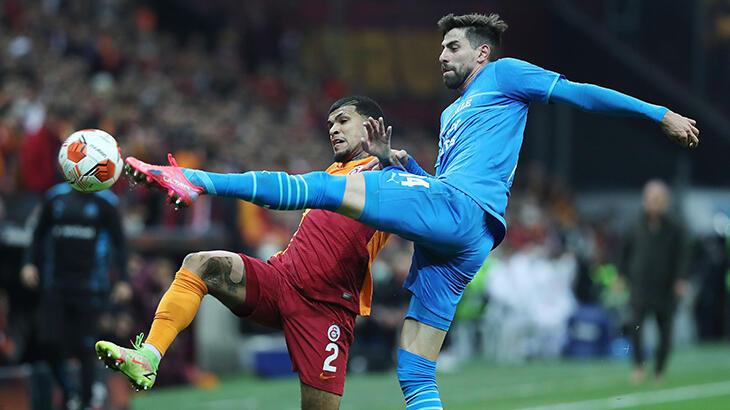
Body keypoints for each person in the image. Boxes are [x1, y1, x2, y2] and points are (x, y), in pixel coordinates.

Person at [123, 13, 700, 409]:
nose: (442, 55)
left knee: (321, 188)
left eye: (453, 47)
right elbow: (439, 184)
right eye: (441, 48)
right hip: (460, 237)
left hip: (463, 212)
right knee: (415, 371)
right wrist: (402, 164)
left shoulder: (505, 74)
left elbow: (581, 93)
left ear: (482, 52)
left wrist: (660, 115)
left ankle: (195, 180)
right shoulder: (453, 115)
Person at [96, 96, 390, 410]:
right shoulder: (332, 173)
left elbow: (425, 193)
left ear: (371, 126)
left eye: (343, 121)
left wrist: (387, 160)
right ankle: (148, 356)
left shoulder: (390, 178)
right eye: (330, 124)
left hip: (327, 309)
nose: (333, 129)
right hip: (281, 281)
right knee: (199, 264)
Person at [21, 183, 130, 410]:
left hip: (90, 287)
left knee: (86, 348)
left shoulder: (105, 202)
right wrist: (29, 263)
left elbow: (120, 243)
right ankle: (70, 391)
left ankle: (87, 400)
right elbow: (38, 234)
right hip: (55, 286)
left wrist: (123, 279)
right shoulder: (55, 197)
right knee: (48, 342)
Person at [619, 180, 690, 384]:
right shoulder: (634, 224)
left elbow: (683, 255)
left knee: (665, 331)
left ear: (665, 201)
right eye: (650, 199)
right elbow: (623, 251)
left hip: (666, 286)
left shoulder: (676, 227)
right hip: (640, 285)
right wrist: (621, 275)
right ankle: (638, 366)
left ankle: (659, 369)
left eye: (658, 199)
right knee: (636, 327)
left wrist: (681, 279)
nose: (654, 203)